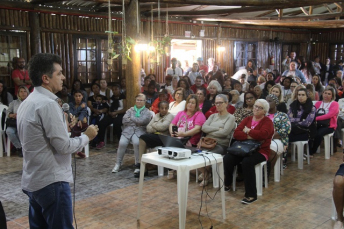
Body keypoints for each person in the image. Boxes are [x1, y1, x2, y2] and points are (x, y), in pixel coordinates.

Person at [17, 53, 98, 228]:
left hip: (34, 179)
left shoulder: (28, 101)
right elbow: (63, 146)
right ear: (45, 78)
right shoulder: (47, 104)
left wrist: (63, 127)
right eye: (59, 73)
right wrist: (87, 137)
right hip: (51, 181)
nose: (63, 77)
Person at [223, 99, 274, 204]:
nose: (256, 109)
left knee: (247, 162)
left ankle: (251, 195)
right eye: (255, 106)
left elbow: (263, 135)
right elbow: (237, 133)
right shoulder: (247, 119)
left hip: (261, 151)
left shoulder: (267, 122)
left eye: (260, 108)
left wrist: (248, 131)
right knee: (228, 158)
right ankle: (227, 183)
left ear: (265, 111)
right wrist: (251, 136)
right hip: (244, 148)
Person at [198, 94, 236, 186]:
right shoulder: (213, 116)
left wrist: (211, 131)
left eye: (220, 103)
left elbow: (224, 133)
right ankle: (206, 173)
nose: (218, 105)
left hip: (221, 144)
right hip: (207, 142)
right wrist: (218, 128)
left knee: (207, 154)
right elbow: (204, 128)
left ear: (226, 103)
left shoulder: (230, 117)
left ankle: (206, 175)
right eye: (216, 103)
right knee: (197, 153)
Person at [168, 94, 206, 179]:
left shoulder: (199, 114)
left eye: (193, 103)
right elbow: (172, 124)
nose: (190, 104)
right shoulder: (181, 113)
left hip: (191, 141)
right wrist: (172, 133)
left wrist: (185, 134)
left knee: (175, 145)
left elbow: (197, 129)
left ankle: (205, 173)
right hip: (178, 138)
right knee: (169, 143)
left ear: (196, 105)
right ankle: (172, 168)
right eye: (189, 102)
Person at [112, 93, 151, 174]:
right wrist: (136, 120)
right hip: (128, 131)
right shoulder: (130, 110)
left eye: (141, 100)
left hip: (139, 131)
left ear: (145, 101)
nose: (139, 102)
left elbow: (142, 121)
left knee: (137, 143)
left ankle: (138, 165)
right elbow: (124, 120)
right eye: (138, 100)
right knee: (122, 143)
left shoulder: (147, 111)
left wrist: (132, 118)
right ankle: (118, 164)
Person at [138, 101, 174, 177]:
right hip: (155, 136)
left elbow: (163, 127)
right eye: (162, 108)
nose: (164, 110)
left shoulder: (170, 116)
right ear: (159, 109)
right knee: (142, 138)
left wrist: (154, 125)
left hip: (163, 138)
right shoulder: (157, 115)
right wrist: (157, 128)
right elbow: (148, 128)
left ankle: (143, 167)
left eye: (166, 108)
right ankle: (143, 166)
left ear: (168, 108)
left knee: (143, 137)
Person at [265, 94, 291, 174]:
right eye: (266, 101)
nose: (267, 103)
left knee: (271, 150)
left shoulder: (282, 115)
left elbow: (285, 130)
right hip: (263, 139)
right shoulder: (263, 115)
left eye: (270, 101)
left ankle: (266, 173)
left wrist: (269, 136)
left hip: (278, 139)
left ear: (276, 103)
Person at [95, 84, 126, 149]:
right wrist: (110, 113)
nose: (114, 91)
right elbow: (109, 108)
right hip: (112, 114)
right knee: (102, 122)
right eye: (113, 90)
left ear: (119, 90)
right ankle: (101, 141)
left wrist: (116, 113)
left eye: (116, 89)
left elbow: (124, 109)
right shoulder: (111, 98)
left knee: (117, 123)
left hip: (120, 114)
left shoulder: (123, 98)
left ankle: (120, 142)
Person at [310, 87, 339, 156]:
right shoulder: (318, 103)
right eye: (325, 93)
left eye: (329, 94)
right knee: (309, 132)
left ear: (332, 96)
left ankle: (312, 151)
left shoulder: (335, 104)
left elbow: (329, 115)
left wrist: (316, 118)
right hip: (317, 124)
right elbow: (312, 112)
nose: (326, 95)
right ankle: (308, 150)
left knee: (319, 134)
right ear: (322, 94)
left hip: (329, 125)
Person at [6, 86, 29, 157]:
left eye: (24, 91)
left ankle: (26, 149)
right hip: (14, 123)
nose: (23, 93)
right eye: (21, 92)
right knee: (9, 131)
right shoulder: (14, 102)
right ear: (18, 93)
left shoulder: (30, 102)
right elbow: (7, 112)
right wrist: (12, 115)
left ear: (27, 93)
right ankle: (19, 148)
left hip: (26, 123)